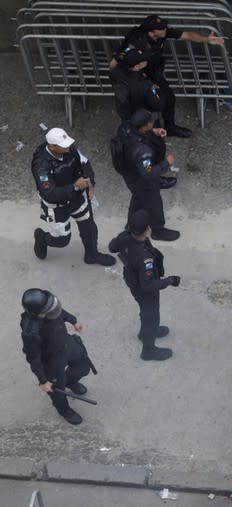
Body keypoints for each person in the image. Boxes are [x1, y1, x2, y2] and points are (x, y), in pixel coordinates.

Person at [112, 15, 224, 137]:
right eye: (161, 28)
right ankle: (144, 133)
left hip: (154, 70)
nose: (165, 29)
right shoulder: (137, 41)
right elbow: (115, 62)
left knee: (168, 98)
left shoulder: (163, 33)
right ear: (151, 32)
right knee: (145, 104)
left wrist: (206, 40)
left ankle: (169, 127)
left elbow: (187, 35)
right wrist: (125, 78)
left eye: (164, 26)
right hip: (138, 74)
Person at [31, 128, 116, 266]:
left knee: (89, 228)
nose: (69, 146)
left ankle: (92, 255)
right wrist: (76, 186)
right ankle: (43, 238)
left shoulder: (69, 149)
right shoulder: (41, 166)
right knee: (62, 240)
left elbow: (85, 164)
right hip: (57, 207)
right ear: (52, 147)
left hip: (77, 199)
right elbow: (50, 194)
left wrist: (89, 183)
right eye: (64, 145)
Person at [108, 210, 180, 361]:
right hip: (144, 290)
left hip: (133, 282)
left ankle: (144, 333)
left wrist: (124, 237)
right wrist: (170, 281)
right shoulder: (144, 258)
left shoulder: (124, 237)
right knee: (151, 317)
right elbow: (148, 285)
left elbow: (112, 247)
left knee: (145, 311)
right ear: (148, 228)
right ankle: (148, 350)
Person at [20, 289, 96, 425]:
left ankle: (70, 381)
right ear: (37, 314)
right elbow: (33, 358)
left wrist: (73, 320)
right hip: (51, 359)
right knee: (57, 390)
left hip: (66, 343)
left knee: (83, 366)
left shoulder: (49, 307)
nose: (53, 310)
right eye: (49, 311)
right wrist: (43, 381)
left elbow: (60, 311)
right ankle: (64, 410)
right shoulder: (31, 332)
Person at [109, 48, 177, 191]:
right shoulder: (144, 85)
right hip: (144, 115)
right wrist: (157, 90)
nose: (145, 61)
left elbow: (113, 65)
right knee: (155, 146)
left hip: (126, 115)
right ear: (137, 66)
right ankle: (157, 178)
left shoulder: (116, 73)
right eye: (142, 61)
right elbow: (159, 104)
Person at [116, 108, 180, 241]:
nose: (153, 123)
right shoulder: (142, 152)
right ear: (144, 126)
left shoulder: (125, 127)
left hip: (129, 173)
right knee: (154, 202)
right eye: (151, 122)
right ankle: (158, 230)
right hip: (140, 178)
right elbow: (148, 174)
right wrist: (166, 163)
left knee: (138, 198)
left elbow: (137, 134)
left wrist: (153, 132)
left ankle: (131, 226)